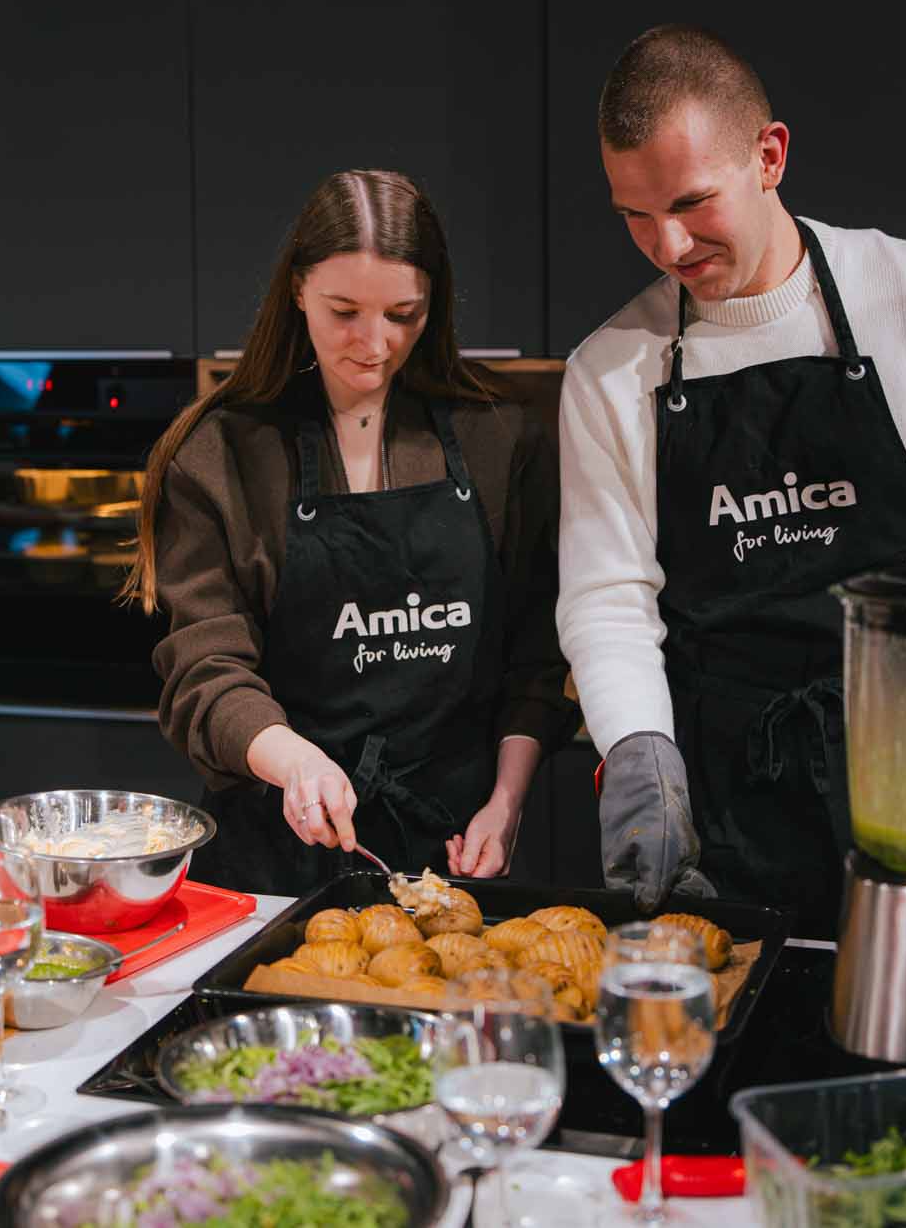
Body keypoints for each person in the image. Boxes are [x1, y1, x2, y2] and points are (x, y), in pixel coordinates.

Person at [558, 25, 906, 930]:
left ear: (770, 156)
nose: (667, 244)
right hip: (726, 810)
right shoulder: (610, 369)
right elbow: (608, 601)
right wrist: (638, 748)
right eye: (634, 214)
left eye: (691, 202)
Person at [128, 170, 575, 897]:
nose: (375, 343)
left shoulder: (497, 438)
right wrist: (296, 763)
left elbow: (536, 658)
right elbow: (206, 673)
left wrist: (507, 802)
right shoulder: (221, 454)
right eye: (344, 312)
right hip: (273, 866)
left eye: (403, 313)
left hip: (456, 855)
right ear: (297, 289)